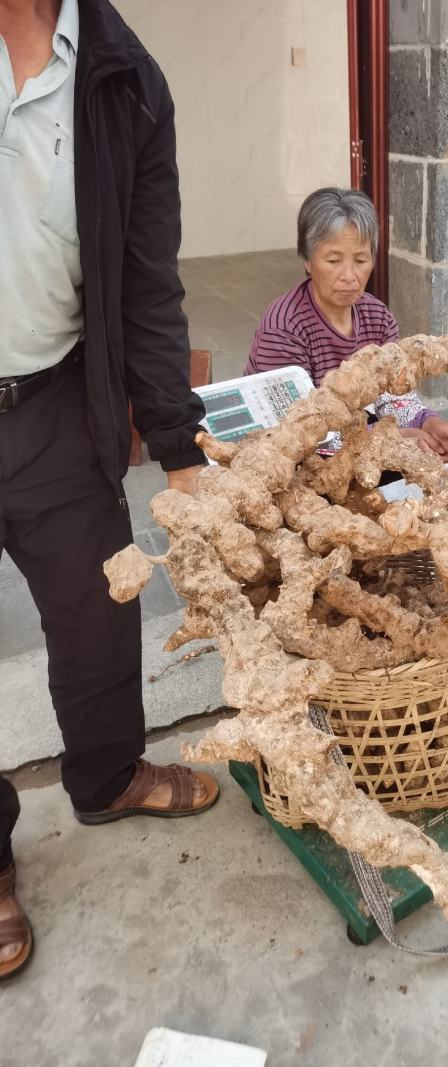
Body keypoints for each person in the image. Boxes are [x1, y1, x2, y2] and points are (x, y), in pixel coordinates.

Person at [0, 0, 219, 981]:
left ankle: (107, 775)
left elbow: (146, 280)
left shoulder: (123, 81)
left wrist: (180, 449)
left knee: (96, 609)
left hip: (50, 399)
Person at [245, 187, 448, 466]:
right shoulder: (283, 328)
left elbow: (393, 396)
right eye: (333, 260)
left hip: (356, 442)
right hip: (284, 457)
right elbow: (297, 431)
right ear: (307, 260)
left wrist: (430, 424)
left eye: (360, 260)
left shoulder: (378, 318)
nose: (348, 276)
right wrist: (390, 439)